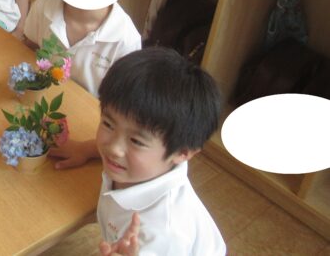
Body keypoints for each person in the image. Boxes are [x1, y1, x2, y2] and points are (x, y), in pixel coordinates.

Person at [50, 48, 226, 255]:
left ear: (183, 152)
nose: (114, 148)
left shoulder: (162, 234)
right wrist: (86, 149)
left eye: (136, 141)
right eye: (108, 124)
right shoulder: (148, 164)